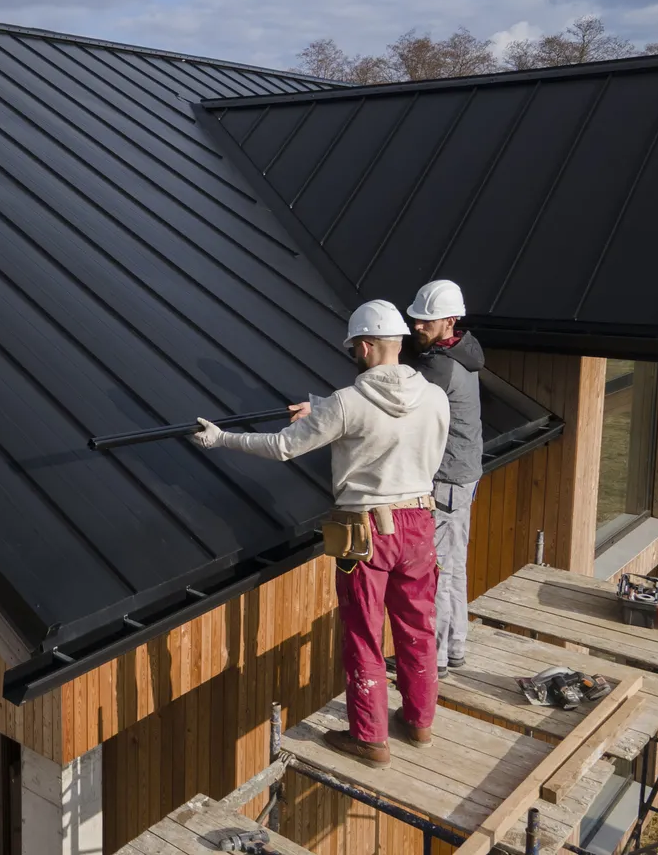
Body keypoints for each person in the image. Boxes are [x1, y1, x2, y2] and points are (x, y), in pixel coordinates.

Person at [192, 300, 449, 766]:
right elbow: (391, 427)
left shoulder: (349, 403)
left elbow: (283, 446)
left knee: (365, 633)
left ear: (365, 346)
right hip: (420, 524)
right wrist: (324, 410)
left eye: (354, 349)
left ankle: (370, 739)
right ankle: (420, 723)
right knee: (418, 626)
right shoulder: (435, 396)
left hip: (367, 531)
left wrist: (221, 438)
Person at [404, 280, 483, 681]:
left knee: (438, 570)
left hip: (448, 480)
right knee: (453, 565)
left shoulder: (440, 367)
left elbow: (400, 399)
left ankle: (433, 661)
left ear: (450, 321)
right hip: (461, 476)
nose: (416, 326)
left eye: (426, 320)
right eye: (415, 318)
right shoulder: (462, 352)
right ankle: (454, 649)